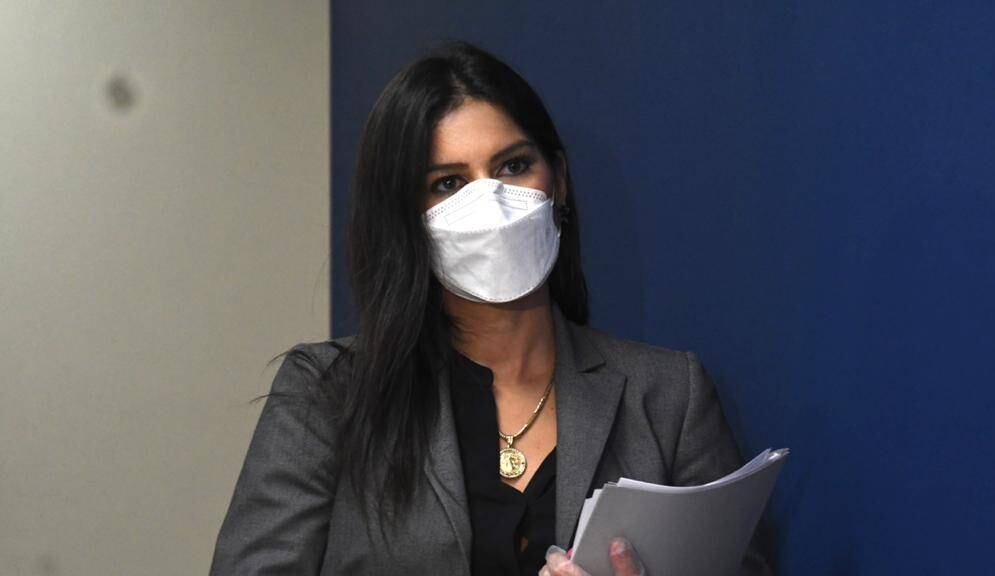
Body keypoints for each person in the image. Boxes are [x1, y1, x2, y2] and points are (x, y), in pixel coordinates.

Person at [209, 41, 772, 576]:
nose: (491, 203)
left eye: (512, 166)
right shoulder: (329, 394)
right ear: (406, 216)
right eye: (448, 182)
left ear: (559, 181)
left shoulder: (670, 397)